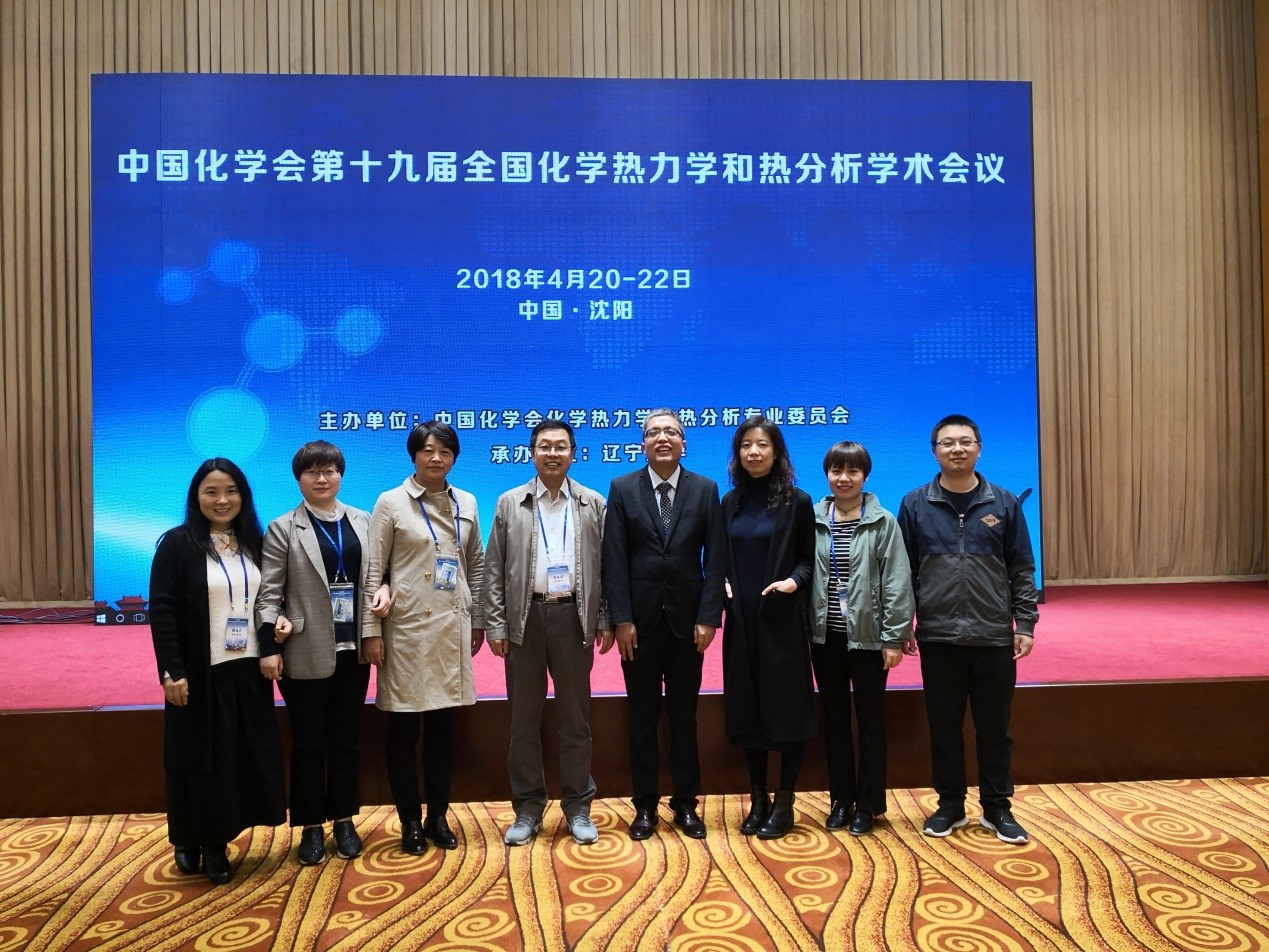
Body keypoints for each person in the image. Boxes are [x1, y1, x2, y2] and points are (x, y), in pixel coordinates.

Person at [897, 414, 1038, 844]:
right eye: (947, 442)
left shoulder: (1004, 503)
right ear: (934, 451)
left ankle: (997, 808)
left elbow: (1022, 568)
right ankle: (950, 806)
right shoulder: (915, 504)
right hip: (938, 635)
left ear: (978, 447)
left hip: (993, 635)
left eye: (965, 441)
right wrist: (904, 622)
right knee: (944, 728)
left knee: (995, 730)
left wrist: (1025, 622)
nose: (956, 449)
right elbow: (903, 572)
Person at [148, 458, 286, 885]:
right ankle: (193, 839)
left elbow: (268, 601)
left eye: (231, 491)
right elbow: (162, 611)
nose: (222, 500)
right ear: (197, 497)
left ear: (243, 496)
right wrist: (171, 671)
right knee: (196, 759)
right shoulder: (177, 544)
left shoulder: (254, 542)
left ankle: (217, 838)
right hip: (197, 672)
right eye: (211, 491)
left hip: (246, 669)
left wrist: (274, 637)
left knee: (233, 759)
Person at [256, 441, 392, 866]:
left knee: (347, 740)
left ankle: (345, 820)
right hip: (305, 647)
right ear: (298, 478)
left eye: (329, 471)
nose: (321, 479)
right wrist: (268, 644)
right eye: (312, 472)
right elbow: (268, 593)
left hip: (354, 648)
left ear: (340, 475)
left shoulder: (363, 520)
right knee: (309, 742)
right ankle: (311, 825)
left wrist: (383, 600)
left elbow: (377, 576)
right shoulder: (283, 527)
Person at [484, 420, 614, 846]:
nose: (553, 453)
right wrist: (497, 623)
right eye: (544, 446)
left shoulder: (592, 503)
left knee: (576, 719)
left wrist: (603, 618)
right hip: (525, 619)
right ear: (532, 453)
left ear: (573, 453)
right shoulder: (510, 503)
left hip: (574, 617)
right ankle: (527, 807)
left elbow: (606, 568)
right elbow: (494, 568)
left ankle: (578, 807)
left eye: (561, 446)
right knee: (523, 721)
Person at [362, 421, 486, 855]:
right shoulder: (391, 502)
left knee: (441, 731)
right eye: (428, 450)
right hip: (406, 631)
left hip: (451, 628)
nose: (436, 458)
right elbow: (374, 570)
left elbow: (476, 564)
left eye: (445, 451)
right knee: (402, 731)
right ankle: (410, 822)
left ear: (454, 457)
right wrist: (371, 631)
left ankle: (438, 816)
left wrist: (477, 619)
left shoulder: (467, 501)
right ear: (413, 455)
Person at [602, 408, 726, 840]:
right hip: (638, 625)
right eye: (653, 432)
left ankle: (686, 803)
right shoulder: (622, 488)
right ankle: (645, 806)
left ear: (683, 443)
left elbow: (716, 559)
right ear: (643, 444)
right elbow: (614, 558)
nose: (662, 438)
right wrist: (621, 618)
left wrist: (708, 617)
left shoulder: (705, 489)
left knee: (684, 718)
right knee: (641, 719)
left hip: (688, 625)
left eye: (671, 432)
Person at [810, 441, 915, 836]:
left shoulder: (883, 522)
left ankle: (868, 804)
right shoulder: (813, 519)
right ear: (827, 474)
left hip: (870, 639)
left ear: (865, 476)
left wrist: (894, 637)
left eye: (853, 471)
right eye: (836, 470)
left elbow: (897, 582)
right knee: (835, 721)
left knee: (871, 721)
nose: (844, 478)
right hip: (825, 638)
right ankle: (841, 800)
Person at [720, 416, 817, 839]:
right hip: (741, 623)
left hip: (781, 622)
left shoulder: (798, 502)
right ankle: (758, 798)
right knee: (749, 711)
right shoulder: (730, 502)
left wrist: (793, 581)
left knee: (786, 709)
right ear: (738, 453)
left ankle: (785, 801)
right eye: (746, 445)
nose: (753, 452)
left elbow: (809, 561)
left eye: (762, 444)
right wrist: (719, 581)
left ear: (776, 452)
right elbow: (718, 557)